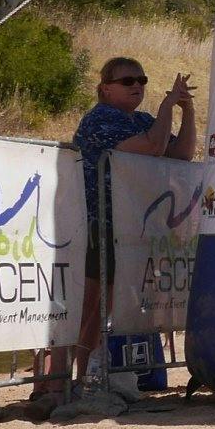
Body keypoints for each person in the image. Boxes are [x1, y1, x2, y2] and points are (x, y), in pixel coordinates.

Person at [70, 57, 197, 386]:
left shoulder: (141, 119)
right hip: (99, 224)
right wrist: (167, 105)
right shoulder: (101, 119)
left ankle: (89, 376)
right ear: (105, 89)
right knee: (92, 307)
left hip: (130, 225)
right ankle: (71, 378)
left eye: (142, 80)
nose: (137, 86)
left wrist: (187, 110)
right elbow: (154, 147)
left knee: (109, 305)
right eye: (128, 81)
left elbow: (181, 154)